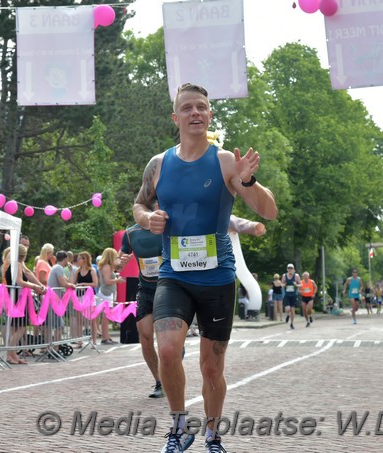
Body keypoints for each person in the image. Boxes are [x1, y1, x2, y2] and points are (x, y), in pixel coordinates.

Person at [133, 82, 277, 452]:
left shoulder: (226, 161)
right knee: (167, 350)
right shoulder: (159, 163)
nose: (195, 112)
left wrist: (248, 181)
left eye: (202, 107)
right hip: (174, 276)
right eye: (188, 108)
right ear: (175, 117)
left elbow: (268, 211)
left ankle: (213, 435)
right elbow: (138, 205)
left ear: (210, 114)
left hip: (216, 279)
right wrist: (148, 218)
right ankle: (179, 429)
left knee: (212, 369)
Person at [119, 223, 167, 398]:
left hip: (169, 288)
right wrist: (120, 262)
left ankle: (175, 356)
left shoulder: (167, 225)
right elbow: (118, 263)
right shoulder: (131, 233)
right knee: (145, 337)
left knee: (166, 339)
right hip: (145, 289)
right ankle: (159, 381)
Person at [4, 244, 45, 365]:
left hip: (16, 297)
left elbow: (28, 273)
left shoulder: (19, 264)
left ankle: (13, 354)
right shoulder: (16, 264)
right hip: (16, 298)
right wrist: (35, 286)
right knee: (21, 327)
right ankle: (8, 353)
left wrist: (40, 285)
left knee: (16, 327)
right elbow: (20, 281)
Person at [46, 251, 75, 353]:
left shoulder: (58, 268)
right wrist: (72, 286)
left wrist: (71, 271)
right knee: (59, 325)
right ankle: (55, 348)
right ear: (65, 258)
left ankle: (51, 347)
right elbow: (64, 284)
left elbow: (69, 282)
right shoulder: (58, 268)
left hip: (54, 300)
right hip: (53, 300)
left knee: (54, 324)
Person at [94, 248, 124, 345]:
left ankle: (106, 337)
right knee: (106, 317)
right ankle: (105, 338)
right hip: (105, 293)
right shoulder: (106, 267)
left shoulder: (107, 266)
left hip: (107, 293)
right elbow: (107, 281)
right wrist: (117, 280)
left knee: (107, 316)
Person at [69, 251, 98, 349]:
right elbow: (73, 283)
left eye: (80, 258)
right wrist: (71, 273)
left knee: (92, 319)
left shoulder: (92, 270)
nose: (78, 260)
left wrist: (83, 284)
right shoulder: (77, 271)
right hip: (79, 297)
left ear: (85, 259)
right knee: (79, 319)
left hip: (89, 297)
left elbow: (95, 284)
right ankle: (79, 340)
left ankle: (94, 341)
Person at [283, 264, 301, 329]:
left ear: (293, 269)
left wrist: (296, 285)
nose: (290, 269)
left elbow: (300, 285)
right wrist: (283, 285)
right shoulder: (284, 276)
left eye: (291, 268)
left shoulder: (296, 276)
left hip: (293, 295)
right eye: (288, 268)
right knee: (287, 309)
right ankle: (288, 315)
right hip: (287, 295)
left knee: (292, 309)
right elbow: (282, 283)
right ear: (287, 269)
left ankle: (292, 323)